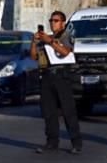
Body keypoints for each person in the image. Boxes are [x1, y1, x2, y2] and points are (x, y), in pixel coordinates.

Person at [32, 10, 82, 154]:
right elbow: (34, 56)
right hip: (47, 75)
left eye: (56, 21)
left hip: (62, 74)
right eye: (51, 21)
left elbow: (65, 52)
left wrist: (51, 41)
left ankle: (76, 142)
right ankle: (52, 141)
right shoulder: (46, 37)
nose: (53, 23)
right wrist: (34, 42)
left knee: (68, 110)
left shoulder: (67, 35)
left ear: (63, 23)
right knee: (49, 111)